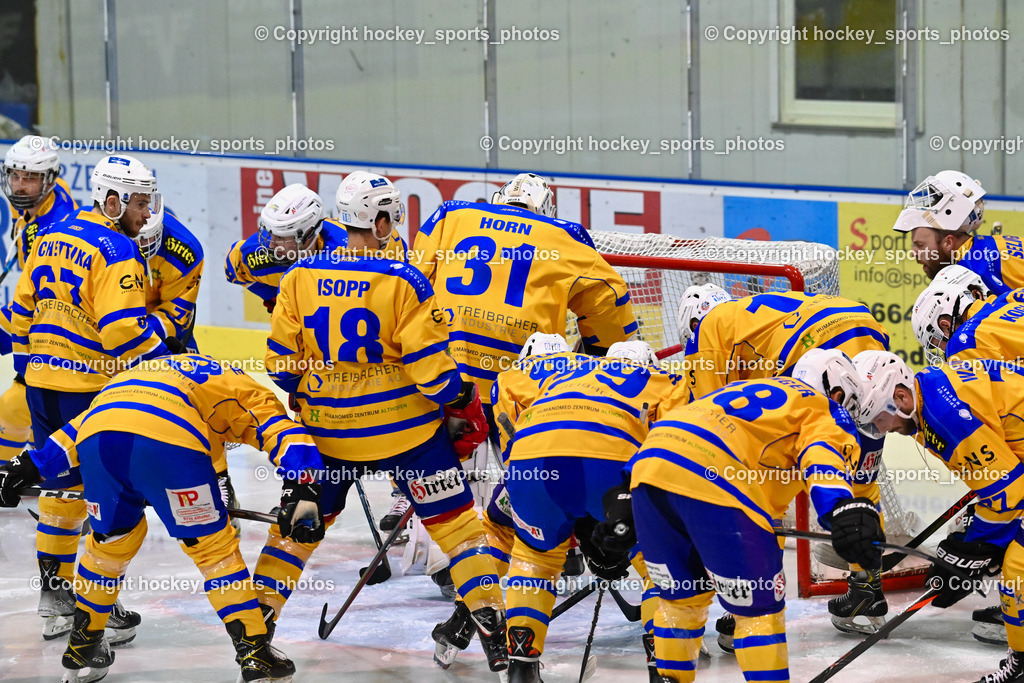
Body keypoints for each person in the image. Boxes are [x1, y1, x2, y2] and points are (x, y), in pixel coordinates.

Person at [258, 225, 511, 673]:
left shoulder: (299, 275)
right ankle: (493, 627)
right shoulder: (405, 278)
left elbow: (279, 364)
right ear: (382, 224)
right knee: (458, 530)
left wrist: (311, 393)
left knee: (294, 532)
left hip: (330, 435)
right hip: (408, 435)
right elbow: (431, 372)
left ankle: (255, 634)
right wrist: (461, 398)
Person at [0, 353, 325, 683]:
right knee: (214, 552)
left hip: (100, 442)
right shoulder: (240, 384)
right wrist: (303, 486)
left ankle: (83, 646)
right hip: (170, 443)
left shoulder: (136, 376)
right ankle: (256, 656)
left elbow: (83, 428)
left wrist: (28, 467)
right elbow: (280, 429)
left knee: (107, 548)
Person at [618, 350, 878, 682]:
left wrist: (621, 505)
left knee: (679, 601)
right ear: (838, 392)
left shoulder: (742, 390)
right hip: (715, 478)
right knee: (760, 613)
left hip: (647, 474)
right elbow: (823, 457)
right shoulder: (822, 406)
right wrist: (839, 509)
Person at [9, 153, 169, 640]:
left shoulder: (53, 232)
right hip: (89, 392)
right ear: (113, 199)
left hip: (42, 384)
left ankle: (55, 600)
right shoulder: (119, 251)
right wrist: (164, 366)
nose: (147, 213)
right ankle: (93, 608)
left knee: (60, 490)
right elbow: (123, 330)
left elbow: (18, 311)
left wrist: (28, 370)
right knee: (104, 499)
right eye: (140, 203)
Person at [676, 283, 895, 638]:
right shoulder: (752, 318)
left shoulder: (709, 333)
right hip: (863, 324)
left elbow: (704, 427)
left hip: (809, 352)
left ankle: (751, 601)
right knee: (859, 471)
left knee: (764, 485)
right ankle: (866, 584)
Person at [499, 345, 687, 681]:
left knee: (534, 560)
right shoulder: (666, 377)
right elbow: (672, 450)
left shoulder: (554, 370)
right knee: (661, 564)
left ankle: (521, 668)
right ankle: (664, 669)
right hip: (611, 463)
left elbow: (506, 384)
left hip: (531, 463)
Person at [862, 351, 1024, 683]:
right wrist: (973, 549)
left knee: (1017, 568)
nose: (882, 430)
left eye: (878, 420)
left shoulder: (942, 413)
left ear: (901, 397)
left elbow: (1009, 493)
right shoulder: (929, 393)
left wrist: (972, 552)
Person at [224, 175, 407, 314]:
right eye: (270, 233)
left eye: (282, 238)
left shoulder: (354, 254)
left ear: (308, 234)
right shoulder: (261, 254)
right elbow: (233, 267)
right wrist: (272, 296)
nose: (271, 244)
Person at [0, 135, 77, 464]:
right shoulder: (50, 196)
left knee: (15, 406)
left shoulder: (51, 228)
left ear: (49, 178)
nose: (19, 186)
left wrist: (23, 356)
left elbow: (36, 305)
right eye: (15, 176)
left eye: (29, 178)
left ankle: (35, 459)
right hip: (43, 316)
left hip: (55, 330)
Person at [893, 170, 1024, 294]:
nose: (913, 253)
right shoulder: (994, 246)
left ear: (948, 242)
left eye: (921, 245)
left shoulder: (972, 275)